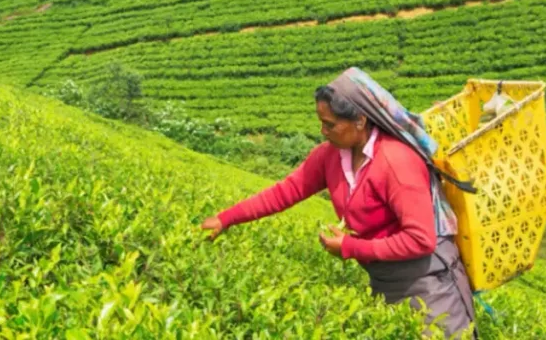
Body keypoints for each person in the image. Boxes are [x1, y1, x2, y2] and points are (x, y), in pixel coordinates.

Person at [201, 67, 477, 339]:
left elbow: (421, 239)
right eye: (321, 122)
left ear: (359, 120)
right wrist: (227, 218)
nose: (323, 131)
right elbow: (286, 191)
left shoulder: (396, 162)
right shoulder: (332, 155)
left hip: (430, 284)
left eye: (330, 124)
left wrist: (351, 247)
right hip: (383, 279)